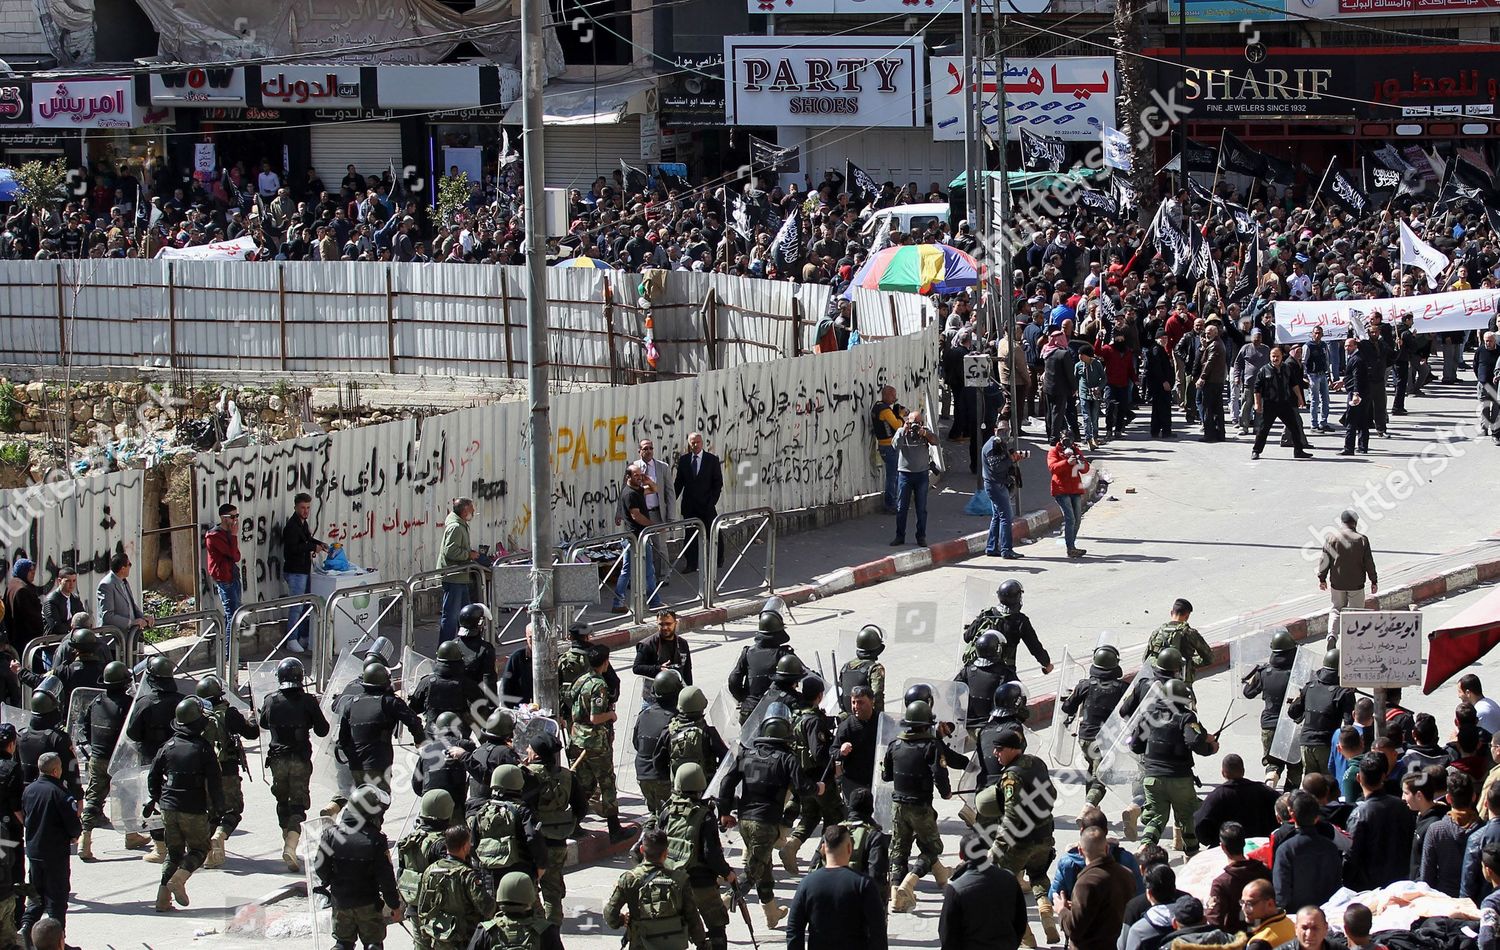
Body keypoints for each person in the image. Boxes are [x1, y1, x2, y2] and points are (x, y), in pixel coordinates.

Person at [721, 703, 811, 927]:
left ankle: (771, 913)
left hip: (745, 821)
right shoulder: (786, 759)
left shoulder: (747, 755)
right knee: (753, 870)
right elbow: (802, 789)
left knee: (764, 866)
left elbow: (726, 782)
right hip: (765, 823)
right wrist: (817, 787)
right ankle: (725, 900)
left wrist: (723, 812)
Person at [147, 698, 225, 912]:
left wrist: (156, 797)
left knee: (173, 854)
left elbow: (153, 776)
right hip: (193, 808)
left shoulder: (167, 746)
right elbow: (215, 784)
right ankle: (179, 879)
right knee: (200, 849)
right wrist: (219, 810)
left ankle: (162, 900)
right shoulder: (203, 749)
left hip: (168, 807)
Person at [986, 729, 1060, 944]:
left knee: (1004, 891)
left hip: (1021, 843)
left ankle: (1026, 938)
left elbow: (1011, 818)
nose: (995, 753)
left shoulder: (1011, 777)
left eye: (999, 749)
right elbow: (1052, 794)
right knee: (1037, 876)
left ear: (1012, 750)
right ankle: (1046, 914)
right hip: (1045, 837)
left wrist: (996, 850)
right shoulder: (1037, 763)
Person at [884, 699, 954, 913]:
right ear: (927, 725)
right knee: (933, 847)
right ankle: (910, 882)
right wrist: (946, 792)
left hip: (898, 805)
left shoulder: (894, 745)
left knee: (899, 848)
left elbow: (886, 775)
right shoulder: (931, 747)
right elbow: (940, 774)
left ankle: (895, 894)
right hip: (920, 806)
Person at [259, 656, 328, 871]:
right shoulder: (307, 701)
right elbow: (322, 730)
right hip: (299, 759)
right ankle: (291, 844)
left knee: (282, 801)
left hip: (277, 760)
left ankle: (287, 838)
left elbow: (262, 723)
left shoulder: (271, 700)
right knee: (298, 804)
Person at [1134, 678, 1217, 855]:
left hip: (1152, 778)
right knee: (1187, 817)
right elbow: (1194, 741)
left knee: (1156, 817)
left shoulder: (1150, 714)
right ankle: (1192, 855)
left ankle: (1145, 845)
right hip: (1179, 779)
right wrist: (1211, 748)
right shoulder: (1186, 717)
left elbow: (1135, 745)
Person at [315, 784, 403, 949]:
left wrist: (333, 882)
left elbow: (320, 867)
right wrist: (394, 905)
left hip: (340, 902)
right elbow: (386, 878)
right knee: (373, 945)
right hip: (368, 903)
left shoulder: (330, 834)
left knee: (342, 943)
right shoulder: (376, 839)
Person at [785, 824, 887, 950]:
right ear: (849, 848)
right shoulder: (864, 884)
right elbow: (878, 931)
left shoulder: (807, 883)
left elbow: (794, 929)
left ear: (823, 848)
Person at [525, 731, 587, 935]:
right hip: (558, 841)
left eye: (530, 748)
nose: (527, 750)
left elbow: (522, 808)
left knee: (530, 890)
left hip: (535, 843)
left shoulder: (528, 774)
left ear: (536, 754)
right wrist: (567, 823)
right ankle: (552, 932)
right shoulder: (567, 775)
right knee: (553, 890)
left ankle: (538, 928)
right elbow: (581, 807)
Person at [605, 827, 707, 950]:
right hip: (673, 944)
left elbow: (610, 915)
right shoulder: (680, 879)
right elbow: (692, 916)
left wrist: (622, 920)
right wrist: (701, 943)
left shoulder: (629, 879)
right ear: (666, 853)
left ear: (642, 850)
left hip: (640, 944)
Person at [195, 674, 259, 868]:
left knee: (209, 812)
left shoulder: (196, 715)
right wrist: (253, 718)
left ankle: (208, 855)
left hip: (203, 771)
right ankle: (220, 835)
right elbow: (252, 733)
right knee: (233, 809)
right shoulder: (229, 713)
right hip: (227, 770)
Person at [570, 644, 631, 841]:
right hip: (595, 741)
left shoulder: (581, 680)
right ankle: (615, 829)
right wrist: (611, 715)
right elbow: (596, 718)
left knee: (584, 784)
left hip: (577, 737)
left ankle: (573, 823)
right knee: (606, 783)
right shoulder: (599, 685)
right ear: (605, 662)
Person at [336, 662, 424, 794]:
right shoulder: (390, 702)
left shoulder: (351, 704)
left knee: (362, 802)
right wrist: (420, 740)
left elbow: (343, 738)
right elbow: (414, 721)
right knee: (378, 803)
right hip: (378, 764)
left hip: (356, 766)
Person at [77, 660, 132, 860]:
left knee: (93, 797)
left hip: (97, 757)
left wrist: (90, 749)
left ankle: (85, 839)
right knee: (128, 797)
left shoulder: (97, 701)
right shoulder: (128, 705)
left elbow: (83, 725)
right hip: (119, 759)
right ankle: (131, 835)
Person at [940, 824, 1027, 950]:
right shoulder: (1009, 879)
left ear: (961, 855)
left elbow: (947, 935)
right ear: (986, 852)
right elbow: (1020, 922)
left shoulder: (956, 889)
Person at [18, 753, 78, 934]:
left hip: (34, 852)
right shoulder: (60, 793)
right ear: (56, 770)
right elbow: (73, 826)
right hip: (55, 855)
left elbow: (26, 817)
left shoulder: (29, 790)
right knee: (56, 901)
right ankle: (56, 940)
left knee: (35, 899)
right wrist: (74, 836)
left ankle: (26, 929)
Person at [414, 824, 494, 950]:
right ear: (464, 846)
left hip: (440, 938)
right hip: (466, 940)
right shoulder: (467, 875)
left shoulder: (430, 871)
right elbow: (487, 908)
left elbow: (423, 908)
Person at [1059, 826, 1136, 950]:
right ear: (1106, 848)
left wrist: (1062, 910)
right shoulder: (1126, 874)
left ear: (1080, 850)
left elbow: (1075, 929)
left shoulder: (1085, 883)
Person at [1346, 753, 1415, 890]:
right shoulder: (1402, 807)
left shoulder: (1359, 814)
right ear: (1384, 776)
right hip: (1401, 882)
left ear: (1359, 778)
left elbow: (1351, 855)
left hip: (1369, 888)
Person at [1243, 628, 1301, 788]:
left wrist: (1254, 677)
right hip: (1291, 726)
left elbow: (1247, 692)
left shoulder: (1263, 672)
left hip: (1269, 726)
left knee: (1273, 766)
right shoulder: (1298, 673)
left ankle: (1269, 788)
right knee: (1295, 766)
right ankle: (1290, 800)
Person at [1287, 648, 1355, 780]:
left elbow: (1293, 713)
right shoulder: (1344, 693)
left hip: (1306, 743)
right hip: (1326, 745)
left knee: (1312, 783)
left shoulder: (1309, 686)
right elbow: (1349, 724)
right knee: (1329, 783)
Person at [1272, 791, 1342, 912]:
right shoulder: (1330, 847)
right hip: (1327, 912)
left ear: (1291, 814)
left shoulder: (1286, 850)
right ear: (1316, 818)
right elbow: (1337, 885)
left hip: (1297, 916)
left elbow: (1281, 894)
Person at [1192, 754, 1278, 847]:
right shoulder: (1263, 791)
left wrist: (1214, 840)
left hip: (1228, 849)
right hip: (1260, 846)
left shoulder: (1217, 796)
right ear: (1243, 771)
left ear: (1223, 773)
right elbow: (1282, 809)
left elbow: (1200, 824)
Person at [613, 462, 664, 613]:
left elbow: (655, 489)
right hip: (634, 537)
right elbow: (636, 516)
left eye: (640, 474)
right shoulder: (629, 493)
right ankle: (618, 601)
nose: (639, 477)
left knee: (647, 569)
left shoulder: (638, 489)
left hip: (641, 537)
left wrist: (648, 481)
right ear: (628, 477)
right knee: (630, 570)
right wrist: (652, 525)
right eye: (636, 475)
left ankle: (653, 600)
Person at [1318, 510, 1378, 638]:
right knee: (1357, 612)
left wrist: (1322, 578)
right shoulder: (1362, 540)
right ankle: (1355, 640)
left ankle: (1332, 635)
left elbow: (1324, 561)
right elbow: (1369, 563)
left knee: (1336, 609)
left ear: (1342, 522)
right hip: (1356, 585)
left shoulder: (1331, 538)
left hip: (1337, 584)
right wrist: (1374, 581)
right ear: (1355, 523)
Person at [728, 611, 793, 724]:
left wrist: (745, 698)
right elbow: (803, 672)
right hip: (775, 711)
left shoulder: (747, 652)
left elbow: (733, 679)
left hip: (749, 710)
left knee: (744, 741)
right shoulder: (783, 654)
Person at [281, 491, 326, 654]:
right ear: (295, 507)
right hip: (295, 572)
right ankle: (291, 639)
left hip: (304, 571)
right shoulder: (292, 526)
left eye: (308, 508)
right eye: (302, 508)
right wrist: (313, 547)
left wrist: (321, 544)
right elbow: (293, 549)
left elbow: (308, 540)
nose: (306, 511)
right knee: (297, 607)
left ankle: (302, 636)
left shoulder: (302, 524)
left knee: (306, 605)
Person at [1422, 771, 1480, 896]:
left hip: (1444, 900)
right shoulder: (1484, 830)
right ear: (1474, 797)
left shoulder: (1436, 830)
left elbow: (1426, 876)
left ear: (1448, 798)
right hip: (1477, 901)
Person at [1205, 821, 1269, 933]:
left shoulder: (1221, 883)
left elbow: (1214, 921)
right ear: (1244, 843)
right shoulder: (1264, 871)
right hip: (1266, 933)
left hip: (1237, 939)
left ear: (1223, 847)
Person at [633, 669, 681, 815]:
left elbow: (636, 743)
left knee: (655, 815)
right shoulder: (676, 718)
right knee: (670, 819)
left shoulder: (644, 715)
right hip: (662, 777)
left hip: (643, 775)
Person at [674, 431, 723, 573]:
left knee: (714, 533)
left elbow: (717, 483)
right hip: (690, 506)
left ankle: (718, 559)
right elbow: (679, 483)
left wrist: (712, 501)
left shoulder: (711, 460)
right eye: (692, 442)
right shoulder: (684, 460)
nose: (695, 445)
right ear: (689, 444)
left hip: (707, 504)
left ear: (702, 443)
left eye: (697, 442)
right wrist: (670, 502)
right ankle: (691, 563)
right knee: (690, 536)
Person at [890, 411, 937, 547]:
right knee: (901, 508)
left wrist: (925, 434)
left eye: (918, 422)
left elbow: (936, 441)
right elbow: (895, 447)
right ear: (907, 422)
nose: (915, 426)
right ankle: (900, 536)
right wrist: (903, 431)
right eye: (912, 423)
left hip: (921, 475)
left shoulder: (924, 432)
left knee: (921, 508)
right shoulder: (902, 431)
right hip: (905, 474)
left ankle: (921, 536)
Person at [982, 417, 1026, 559]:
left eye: (1007, 430)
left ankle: (991, 547)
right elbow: (997, 467)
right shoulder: (991, 446)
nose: (1004, 433)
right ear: (995, 430)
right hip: (995, 485)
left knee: (997, 516)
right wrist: (1011, 459)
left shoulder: (1000, 444)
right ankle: (1006, 549)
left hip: (999, 483)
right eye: (1002, 430)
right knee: (1006, 517)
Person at [437, 497, 481, 642]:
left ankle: (465, 645)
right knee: (451, 616)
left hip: (460, 576)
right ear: (464, 511)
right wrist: (469, 555)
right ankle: (444, 649)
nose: (473, 512)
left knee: (465, 615)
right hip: (454, 576)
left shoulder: (460, 524)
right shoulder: (456, 527)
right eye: (471, 509)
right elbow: (450, 551)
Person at [1144, 599, 1212, 685]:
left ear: (1171, 612)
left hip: (1158, 683)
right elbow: (1209, 658)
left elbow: (1146, 659)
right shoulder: (1190, 634)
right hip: (1181, 685)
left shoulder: (1157, 632)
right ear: (1187, 616)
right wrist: (1190, 663)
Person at [634, 610, 693, 708]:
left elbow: (687, 670)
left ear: (676, 623)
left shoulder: (682, 644)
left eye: (668, 624)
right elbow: (636, 668)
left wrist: (689, 693)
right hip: (653, 700)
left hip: (676, 698)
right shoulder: (647, 645)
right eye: (661, 624)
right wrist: (658, 669)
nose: (665, 627)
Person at [1047, 434, 1089, 558]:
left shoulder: (1076, 450)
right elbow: (1052, 468)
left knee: (1077, 519)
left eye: (1069, 439)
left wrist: (1079, 461)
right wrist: (1066, 462)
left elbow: (1085, 469)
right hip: (1061, 489)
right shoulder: (1054, 451)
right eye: (1064, 439)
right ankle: (1070, 547)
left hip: (1075, 489)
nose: (1067, 441)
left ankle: (1072, 546)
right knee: (1070, 518)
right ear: (1060, 440)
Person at [204, 503, 243, 633]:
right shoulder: (214, 535)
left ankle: (231, 651)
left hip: (233, 576)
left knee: (235, 614)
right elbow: (232, 554)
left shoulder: (228, 534)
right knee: (233, 617)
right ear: (223, 517)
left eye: (236, 516)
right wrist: (233, 536)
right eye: (232, 517)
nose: (235, 520)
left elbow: (237, 556)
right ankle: (229, 653)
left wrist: (232, 536)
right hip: (225, 578)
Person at [96, 551, 150, 635]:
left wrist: (143, 618)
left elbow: (130, 605)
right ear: (122, 568)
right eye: (129, 564)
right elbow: (108, 616)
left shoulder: (124, 582)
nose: (130, 567)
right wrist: (131, 622)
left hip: (129, 638)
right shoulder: (106, 585)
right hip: (115, 640)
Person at [837, 625, 887, 716]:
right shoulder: (875, 669)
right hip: (866, 719)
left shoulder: (846, 667)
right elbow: (877, 697)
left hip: (846, 717)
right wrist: (880, 720)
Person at [1335, 336, 1372, 455]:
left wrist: (1355, 394)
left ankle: (1348, 448)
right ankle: (1362, 447)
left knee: (1351, 421)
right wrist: (1343, 381)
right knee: (1362, 421)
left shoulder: (1357, 359)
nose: (1347, 348)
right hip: (1363, 393)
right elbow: (1352, 376)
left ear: (1355, 346)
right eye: (1345, 345)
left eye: (1350, 345)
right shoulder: (1355, 358)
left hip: (1356, 394)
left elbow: (1357, 378)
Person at [873, 385, 906, 512]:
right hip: (889, 446)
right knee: (893, 476)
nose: (895, 398)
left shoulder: (877, 407)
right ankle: (890, 504)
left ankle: (892, 502)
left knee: (893, 475)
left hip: (884, 445)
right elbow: (897, 426)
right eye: (892, 395)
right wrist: (901, 415)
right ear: (885, 395)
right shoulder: (885, 411)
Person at [1241, 878, 1294, 950]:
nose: (1244, 908)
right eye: (1242, 902)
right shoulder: (1289, 922)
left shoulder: (1260, 943)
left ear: (1270, 904)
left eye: (1250, 903)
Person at [1144, 327, 1175, 439]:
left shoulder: (1160, 349)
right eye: (1162, 338)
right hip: (1159, 385)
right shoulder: (1156, 350)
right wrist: (1164, 381)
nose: (1165, 340)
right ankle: (1166, 431)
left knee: (1158, 409)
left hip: (1160, 384)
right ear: (1157, 339)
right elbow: (1157, 368)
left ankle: (1156, 431)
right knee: (1163, 408)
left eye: (1166, 338)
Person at [39, 569, 82, 642]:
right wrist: (74, 623)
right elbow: (56, 627)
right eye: (68, 581)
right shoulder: (51, 600)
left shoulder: (75, 599)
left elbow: (82, 618)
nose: (71, 584)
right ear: (59, 581)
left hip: (71, 642)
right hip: (53, 644)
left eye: (74, 581)